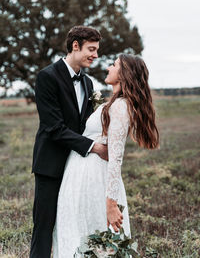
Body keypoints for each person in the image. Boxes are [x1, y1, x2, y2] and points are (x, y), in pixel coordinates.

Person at [53, 53, 159, 257]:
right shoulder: (113, 103)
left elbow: (115, 157)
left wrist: (111, 204)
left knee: (92, 238)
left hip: (95, 180)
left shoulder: (121, 107)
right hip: (80, 176)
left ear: (123, 74)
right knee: (78, 233)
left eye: (114, 65)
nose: (109, 68)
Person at [30, 26, 108, 258]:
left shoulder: (88, 83)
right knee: (44, 226)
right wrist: (93, 147)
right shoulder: (47, 77)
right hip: (51, 165)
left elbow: (86, 125)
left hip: (78, 167)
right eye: (91, 49)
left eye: (96, 50)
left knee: (73, 223)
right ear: (75, 45)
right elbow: (53, 128)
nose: (95, 55)